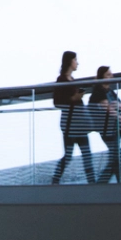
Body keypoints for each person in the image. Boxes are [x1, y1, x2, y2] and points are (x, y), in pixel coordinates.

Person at [49, 51, 96, 184]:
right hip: (71, 124)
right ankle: (55, 181)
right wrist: (73, 98)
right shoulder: (61, 80)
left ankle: (92, 183)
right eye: (75, 60)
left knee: (86, 155)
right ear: (69, 62)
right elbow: (57, 102)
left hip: (78, 124)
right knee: (70, 155)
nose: (77, 63)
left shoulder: (71, 80)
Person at [88, 66, 121, 183]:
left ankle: (106, 185)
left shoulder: (110, 91)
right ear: (102, 77)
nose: (111, 77)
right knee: (117, 159)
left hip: (114, 129)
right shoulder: (99, 91)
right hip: (107, 130)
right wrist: (120, 118)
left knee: (115, 159)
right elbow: (107, 108)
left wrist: (116, 106)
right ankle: (117, 185)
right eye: (108, 75)